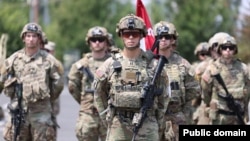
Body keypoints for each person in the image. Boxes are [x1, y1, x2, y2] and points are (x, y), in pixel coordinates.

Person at [93, 14, 169, 141]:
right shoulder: (110, 64)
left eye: (135, 34)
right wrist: (108, 118)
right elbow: (99, 93)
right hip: (118, 126)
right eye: (127, 34)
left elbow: (164, 97)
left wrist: (156, 121)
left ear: (142, 35)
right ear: (121, 35)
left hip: (147, 124)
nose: (131, 37)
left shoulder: (154, 66)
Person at [0, 22, 64, 141]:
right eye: (28, 36)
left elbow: (58, 83)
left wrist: (47, 99)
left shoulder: (49, 60)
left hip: (41, 114)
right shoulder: (14, 59)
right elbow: (2, 80)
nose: (31, 39)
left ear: (39, 39)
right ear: (23, 38)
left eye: (34, 36)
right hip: (19, 112)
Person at [152, 21, 200, 141]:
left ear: (173, 40)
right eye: (159, 36)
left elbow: (194, 89)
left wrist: (184, 112)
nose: (163, 39)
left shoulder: (183, 64)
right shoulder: (147, 63)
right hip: (153, 118)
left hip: (177, 118)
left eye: (167, 37)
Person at [68, 26, 112, 141]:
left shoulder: (114, 63)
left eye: (101, 39)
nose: (97, 42)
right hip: (88, 115)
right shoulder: (80, 65)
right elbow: (73, 88)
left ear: (106, 41)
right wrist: (85, 102)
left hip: (109, 115)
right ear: (89, 42)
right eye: (94, 40)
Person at [201, 33, 250, 125]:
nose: (228, 50)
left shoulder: (243, 68)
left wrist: (246, 112)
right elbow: (205, 91)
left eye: (231, 48)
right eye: (224, 47)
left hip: (238, 116)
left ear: (235, 49)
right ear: (220, 49)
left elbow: (247, 92)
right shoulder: (212, 68)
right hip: (220, 117)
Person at [42, 35, 62, 139]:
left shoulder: (55, 64)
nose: (46, 52)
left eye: (48, 50)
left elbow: (58, 86)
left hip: (50, 107)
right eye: (44, 50)